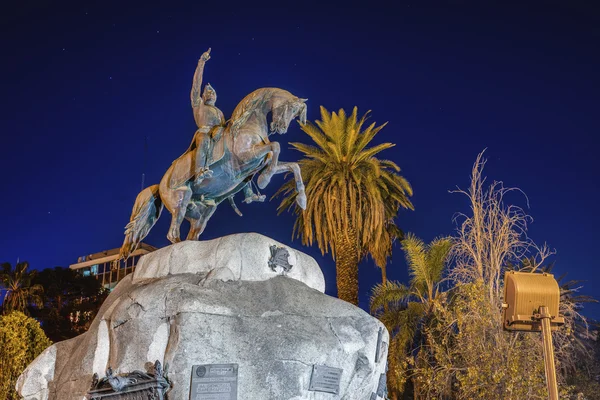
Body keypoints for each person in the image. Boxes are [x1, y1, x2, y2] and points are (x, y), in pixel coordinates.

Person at [188, 48, 225, 185]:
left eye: (213, 93)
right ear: (203, 96)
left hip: (218, 137)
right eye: (208, 92)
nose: (210, 94)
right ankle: (199, 171)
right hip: (203, 133)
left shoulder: (220, 112)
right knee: (203, 139)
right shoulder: (199, 104)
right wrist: (201, 63)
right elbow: (196, 85)